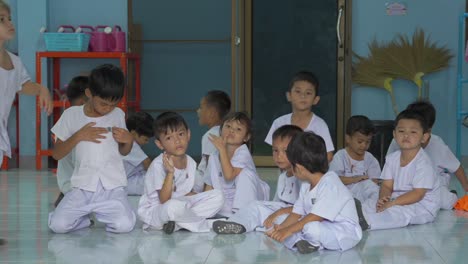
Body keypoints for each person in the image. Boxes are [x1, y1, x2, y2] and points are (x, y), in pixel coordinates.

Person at [48, 64, 136, 234]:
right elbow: (57, 154)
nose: (108, 109)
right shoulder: (71, 115)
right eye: (104, 104)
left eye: (113, 104)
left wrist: (128, 140)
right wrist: (79, 136)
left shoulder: (117, 115)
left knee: (124, 225)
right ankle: (84, 219)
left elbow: (123, 151)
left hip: (112, 187)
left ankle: (117, 211)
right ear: (89, 93)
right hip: (82, 186)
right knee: (58, 225)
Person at [264, 132, 362, 254]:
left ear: (298, 168)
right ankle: (304, 243)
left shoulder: (330, 183)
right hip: (323, 225)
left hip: (344, 232)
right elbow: (296, 213)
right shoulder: (306, 185)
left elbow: (316, 216)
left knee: (310, 228)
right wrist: (281, 228)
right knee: (285, 222)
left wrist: (288, 231)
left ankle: (309, 243)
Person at [137, 112, 224, 234]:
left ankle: (178, 224)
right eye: (169, 138)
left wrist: (193, 197)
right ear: (159, 144)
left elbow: (196, 191)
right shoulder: (158, 165)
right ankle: (206, 224)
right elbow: (164, 200)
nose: (177, 141)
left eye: (181, 134)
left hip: (182, 205)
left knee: (218, 196)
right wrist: (170, 173)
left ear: (188, 135)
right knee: (173, 207)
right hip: (158, 211)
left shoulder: (191, 162)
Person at [212, 125, 302, 234]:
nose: (279, 156)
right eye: (275, 150)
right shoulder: (283, 176)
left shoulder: (302, 178)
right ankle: (236, 224)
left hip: (297, 216)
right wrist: (272, 213)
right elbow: (275, 204)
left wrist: (278, 213)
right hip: (282, 214)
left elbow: (306, 208)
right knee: (255, 206)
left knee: (282, 219)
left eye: (285, 151)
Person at [360, 110, 441, 230]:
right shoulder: (392, 158)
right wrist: (383, 199)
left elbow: (418, 194)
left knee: (398, 213)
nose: (406, 135)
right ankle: (350, 216)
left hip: (421, 205)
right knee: (371, 203)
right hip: (395, 198)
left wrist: (392, 203)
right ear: (394, 134)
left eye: (413, 132)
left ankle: (366, 222)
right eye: (401, 131)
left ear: (424, 137)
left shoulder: (424, 163)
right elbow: (387, 186)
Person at [387, 100, 468, 210]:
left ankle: (451, 196)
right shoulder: (398, 140)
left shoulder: (437, 144)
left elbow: (457, 167)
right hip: (406, 183)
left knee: (442, 202)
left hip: (435, 182)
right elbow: (389, 168)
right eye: (403, 130)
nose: (407, 136)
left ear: (427, 133)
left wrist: (466, 187)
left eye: (414, 131)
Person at [0, 0, 53, 168]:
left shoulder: (15, 61)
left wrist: (41, 89)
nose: (9, 23)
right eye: (1, 19)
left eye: (9, 18)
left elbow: (22, 85)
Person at [204, 112, 270, 217]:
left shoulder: (243, 153)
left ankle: (243, 216)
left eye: (238, 129)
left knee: (246, 174)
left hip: (248, 201)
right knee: (201, 202)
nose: (231, 130)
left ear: (246, 137)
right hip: (226, 202)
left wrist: (222, 149)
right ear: (221, 130)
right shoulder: (214, 156)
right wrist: (205, 207)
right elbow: (209, 186)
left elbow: (229, 175)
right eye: (228, 126)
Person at [264, 71, 334, 161]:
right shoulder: (279, 122)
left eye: (308, 93)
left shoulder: (320, 125)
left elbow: (328, 155)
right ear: (289, 96)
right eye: (298, 91)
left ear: (316, 99)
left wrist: (310, 169)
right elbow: (274, 151)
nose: (303, 96)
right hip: (286, 174)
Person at [54, 75, 89, 207]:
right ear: (84, 100)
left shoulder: (71, 116)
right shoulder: (73, 117)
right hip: (75, 184)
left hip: (71, 182)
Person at [329, 115, 381, 202]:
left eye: (368, 142)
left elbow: (375, 182)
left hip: (365, 198)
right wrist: (355, 179)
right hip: (343, 197)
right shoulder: (340, 156)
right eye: (360, 141)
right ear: (348, 138)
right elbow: (333, 179)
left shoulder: (371, 159)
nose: (364, 145)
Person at [195, 90, 231, 193]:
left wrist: (206, 194)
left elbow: (209, 167)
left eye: (201, 107)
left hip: (204, 184)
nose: (198, 111)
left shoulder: (210, 136)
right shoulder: (224, 132)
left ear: (212, 113)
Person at [124, 111, 154, 195]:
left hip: (129, 178)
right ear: (133, 134)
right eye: (145, 139)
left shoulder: (125, 141)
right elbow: (148, 163)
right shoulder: (130, 144)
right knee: (154, 183)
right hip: (125, 183)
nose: (147, 142)